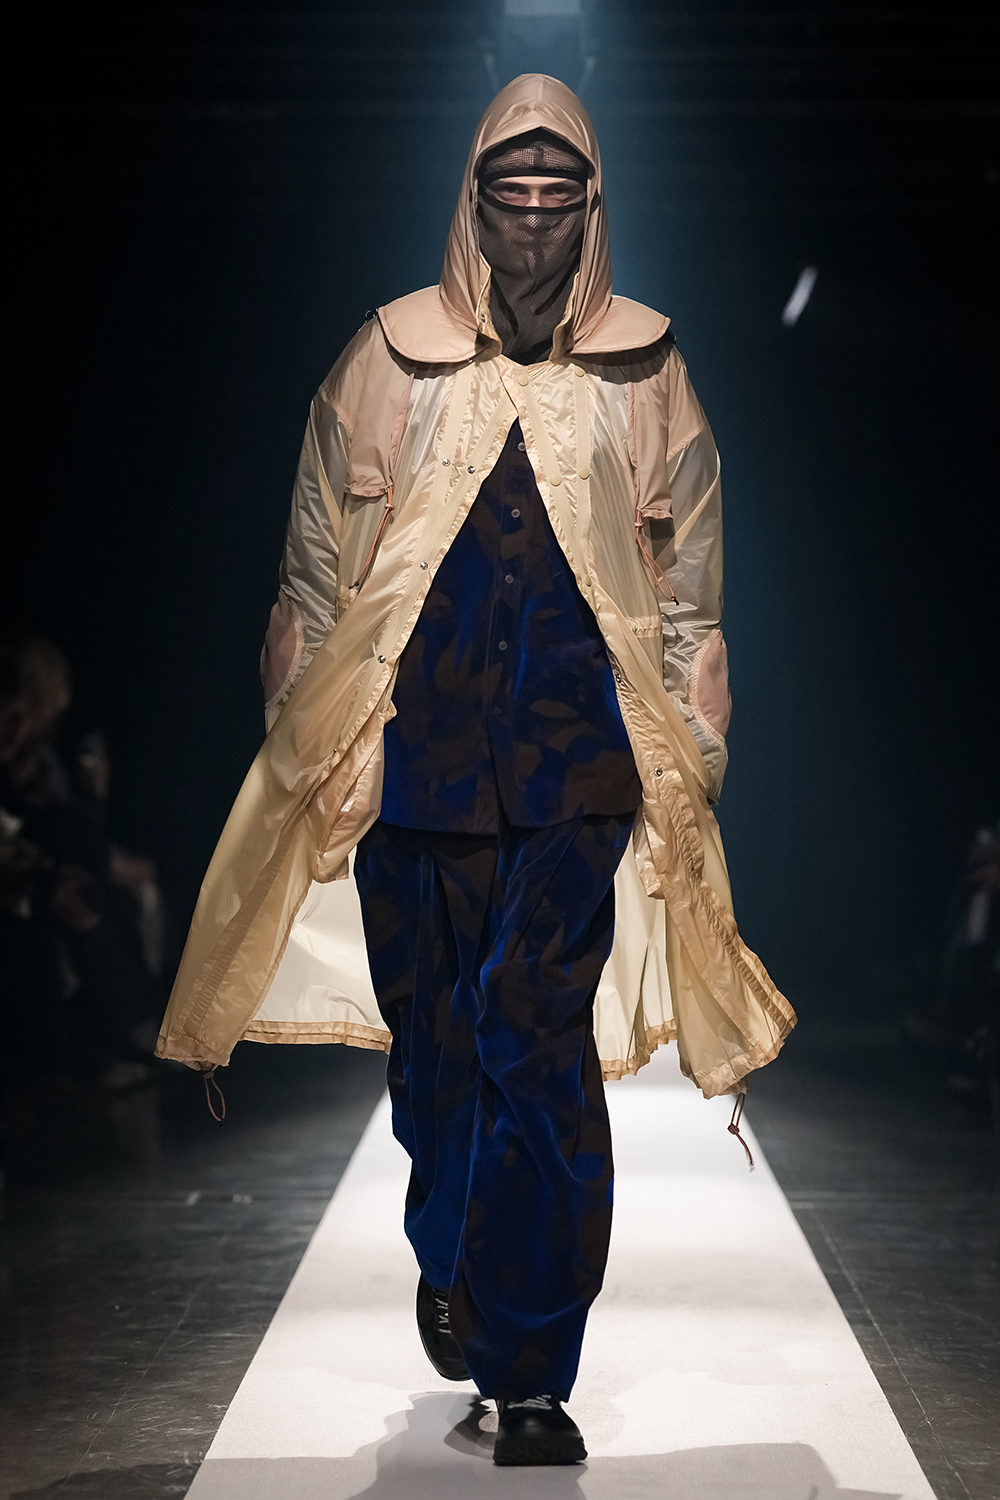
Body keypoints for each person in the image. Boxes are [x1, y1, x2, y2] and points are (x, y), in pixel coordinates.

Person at [157, 74, 795, 1466]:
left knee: (533, 1037)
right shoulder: (384, 359)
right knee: (439, 1051)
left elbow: (689, 594)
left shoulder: (648, 371)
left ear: (593, 208)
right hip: (417, 761)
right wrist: (306, 742)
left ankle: (533, 1364)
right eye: (514, 191)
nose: (535, 219)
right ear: (475, 199)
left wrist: (691, 764)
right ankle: (454, 1253)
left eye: (560, 194)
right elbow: (316, 574)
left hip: (578, 768)